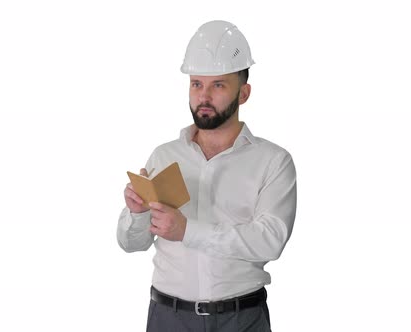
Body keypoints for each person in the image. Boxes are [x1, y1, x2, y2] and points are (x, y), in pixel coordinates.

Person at [117, 20, 297, 332]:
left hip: (241, 319)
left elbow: (270, 241)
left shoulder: (273, 161)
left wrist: (187, 230)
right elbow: (131, 243)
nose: (204, 96)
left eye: (218, 85)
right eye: (197, 84)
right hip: (168, 318)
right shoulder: (164, 156)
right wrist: (137, 215)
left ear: (243, 93)